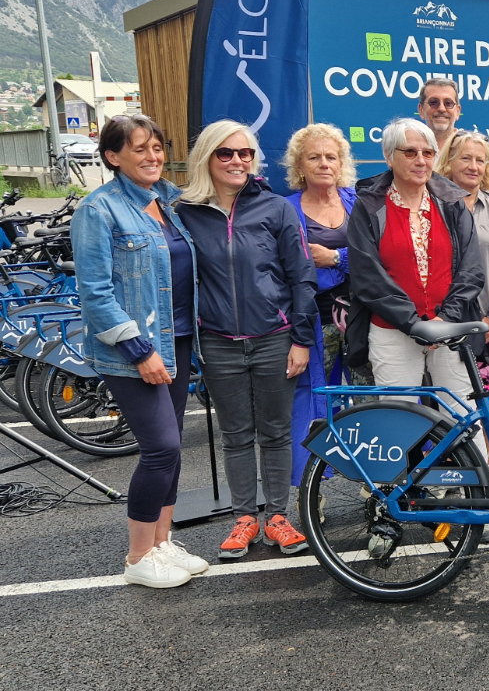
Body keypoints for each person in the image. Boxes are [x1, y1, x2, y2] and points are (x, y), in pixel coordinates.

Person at [72, 114, 208, 588]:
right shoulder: (99, 210)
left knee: (169, 454)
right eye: (139, 149)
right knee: (162, 448)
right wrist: (138, 348)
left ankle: (161, 543)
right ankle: (136, 557)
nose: (152, 157)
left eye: (156, 147)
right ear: (113, 157)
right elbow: (94, 293)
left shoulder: (167, 201)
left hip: (180, 342)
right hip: (137, 350)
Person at [177, 120, 317, 560]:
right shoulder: (184, 212)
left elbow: (302, 277)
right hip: (218, 341)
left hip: (275, 338)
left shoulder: (275, 208)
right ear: (207, 159)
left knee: (275, 432)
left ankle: (276, 516)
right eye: (226, 153)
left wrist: (301, 338)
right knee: (236, 434)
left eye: (245, 153)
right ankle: (243, 519)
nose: (238, 161)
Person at [344, 118, 487, 459]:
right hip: (393, 331)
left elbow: (471, 269)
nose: (421, 160)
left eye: (428, 152)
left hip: (448, 328)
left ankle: (480, 489)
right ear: (389, 156)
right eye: (410, 152)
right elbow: (368, 277)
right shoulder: (368, 206)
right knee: (397, 417)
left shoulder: (452, 202)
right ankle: (399, 497)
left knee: (462, 410)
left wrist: (443, 321)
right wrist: (414, 324)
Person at [281, 123, 374, 490]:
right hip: (313, 323)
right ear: (299, 166)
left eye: (331, 157)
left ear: (342, 163)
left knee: (371, 400)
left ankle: (378, 489)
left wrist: (337, 258)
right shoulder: (285, 209)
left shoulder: (359, 203)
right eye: (314, 157)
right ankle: (312, 491)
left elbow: (376, 255)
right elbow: (283, 266)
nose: (324, 163)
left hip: (363, 318)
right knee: (315, 407)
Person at [435, 130, 489, 372]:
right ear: (449, 162)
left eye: (480, 160)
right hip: (446, 321)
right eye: (465, 158)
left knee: (488, 396)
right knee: (445, 399)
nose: (474, 166)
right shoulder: (433, 207)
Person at [420, 77, 462, 156]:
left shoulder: (471, 148)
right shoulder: (411, 149)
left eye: (448, 103)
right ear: (421, 110)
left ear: (458, 111)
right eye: (433, 102)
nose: (441, 109)